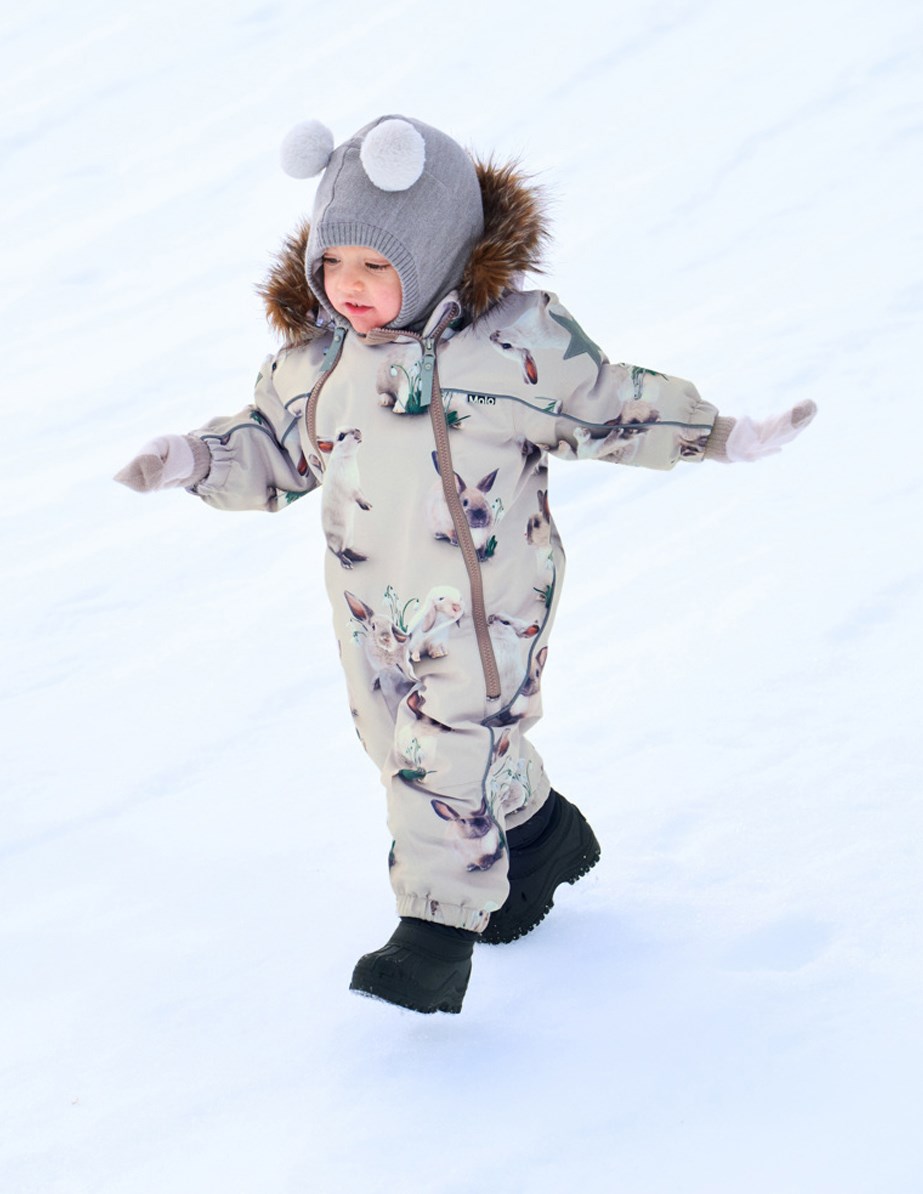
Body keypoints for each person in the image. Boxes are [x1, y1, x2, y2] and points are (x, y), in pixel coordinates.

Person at [116, 115, 816, 1015]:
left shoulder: (508, 347)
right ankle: (540, 833)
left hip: (489, 604)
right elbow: (275, 452)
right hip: (369, 606)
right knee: (392, 742)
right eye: (333, 265)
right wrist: (193, 461)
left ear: (440, 252)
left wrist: (720, 435)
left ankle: (434, 936)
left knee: (435, 757)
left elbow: (608, 404)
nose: (349, 287)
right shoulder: (313, 365)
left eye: (376, 265)